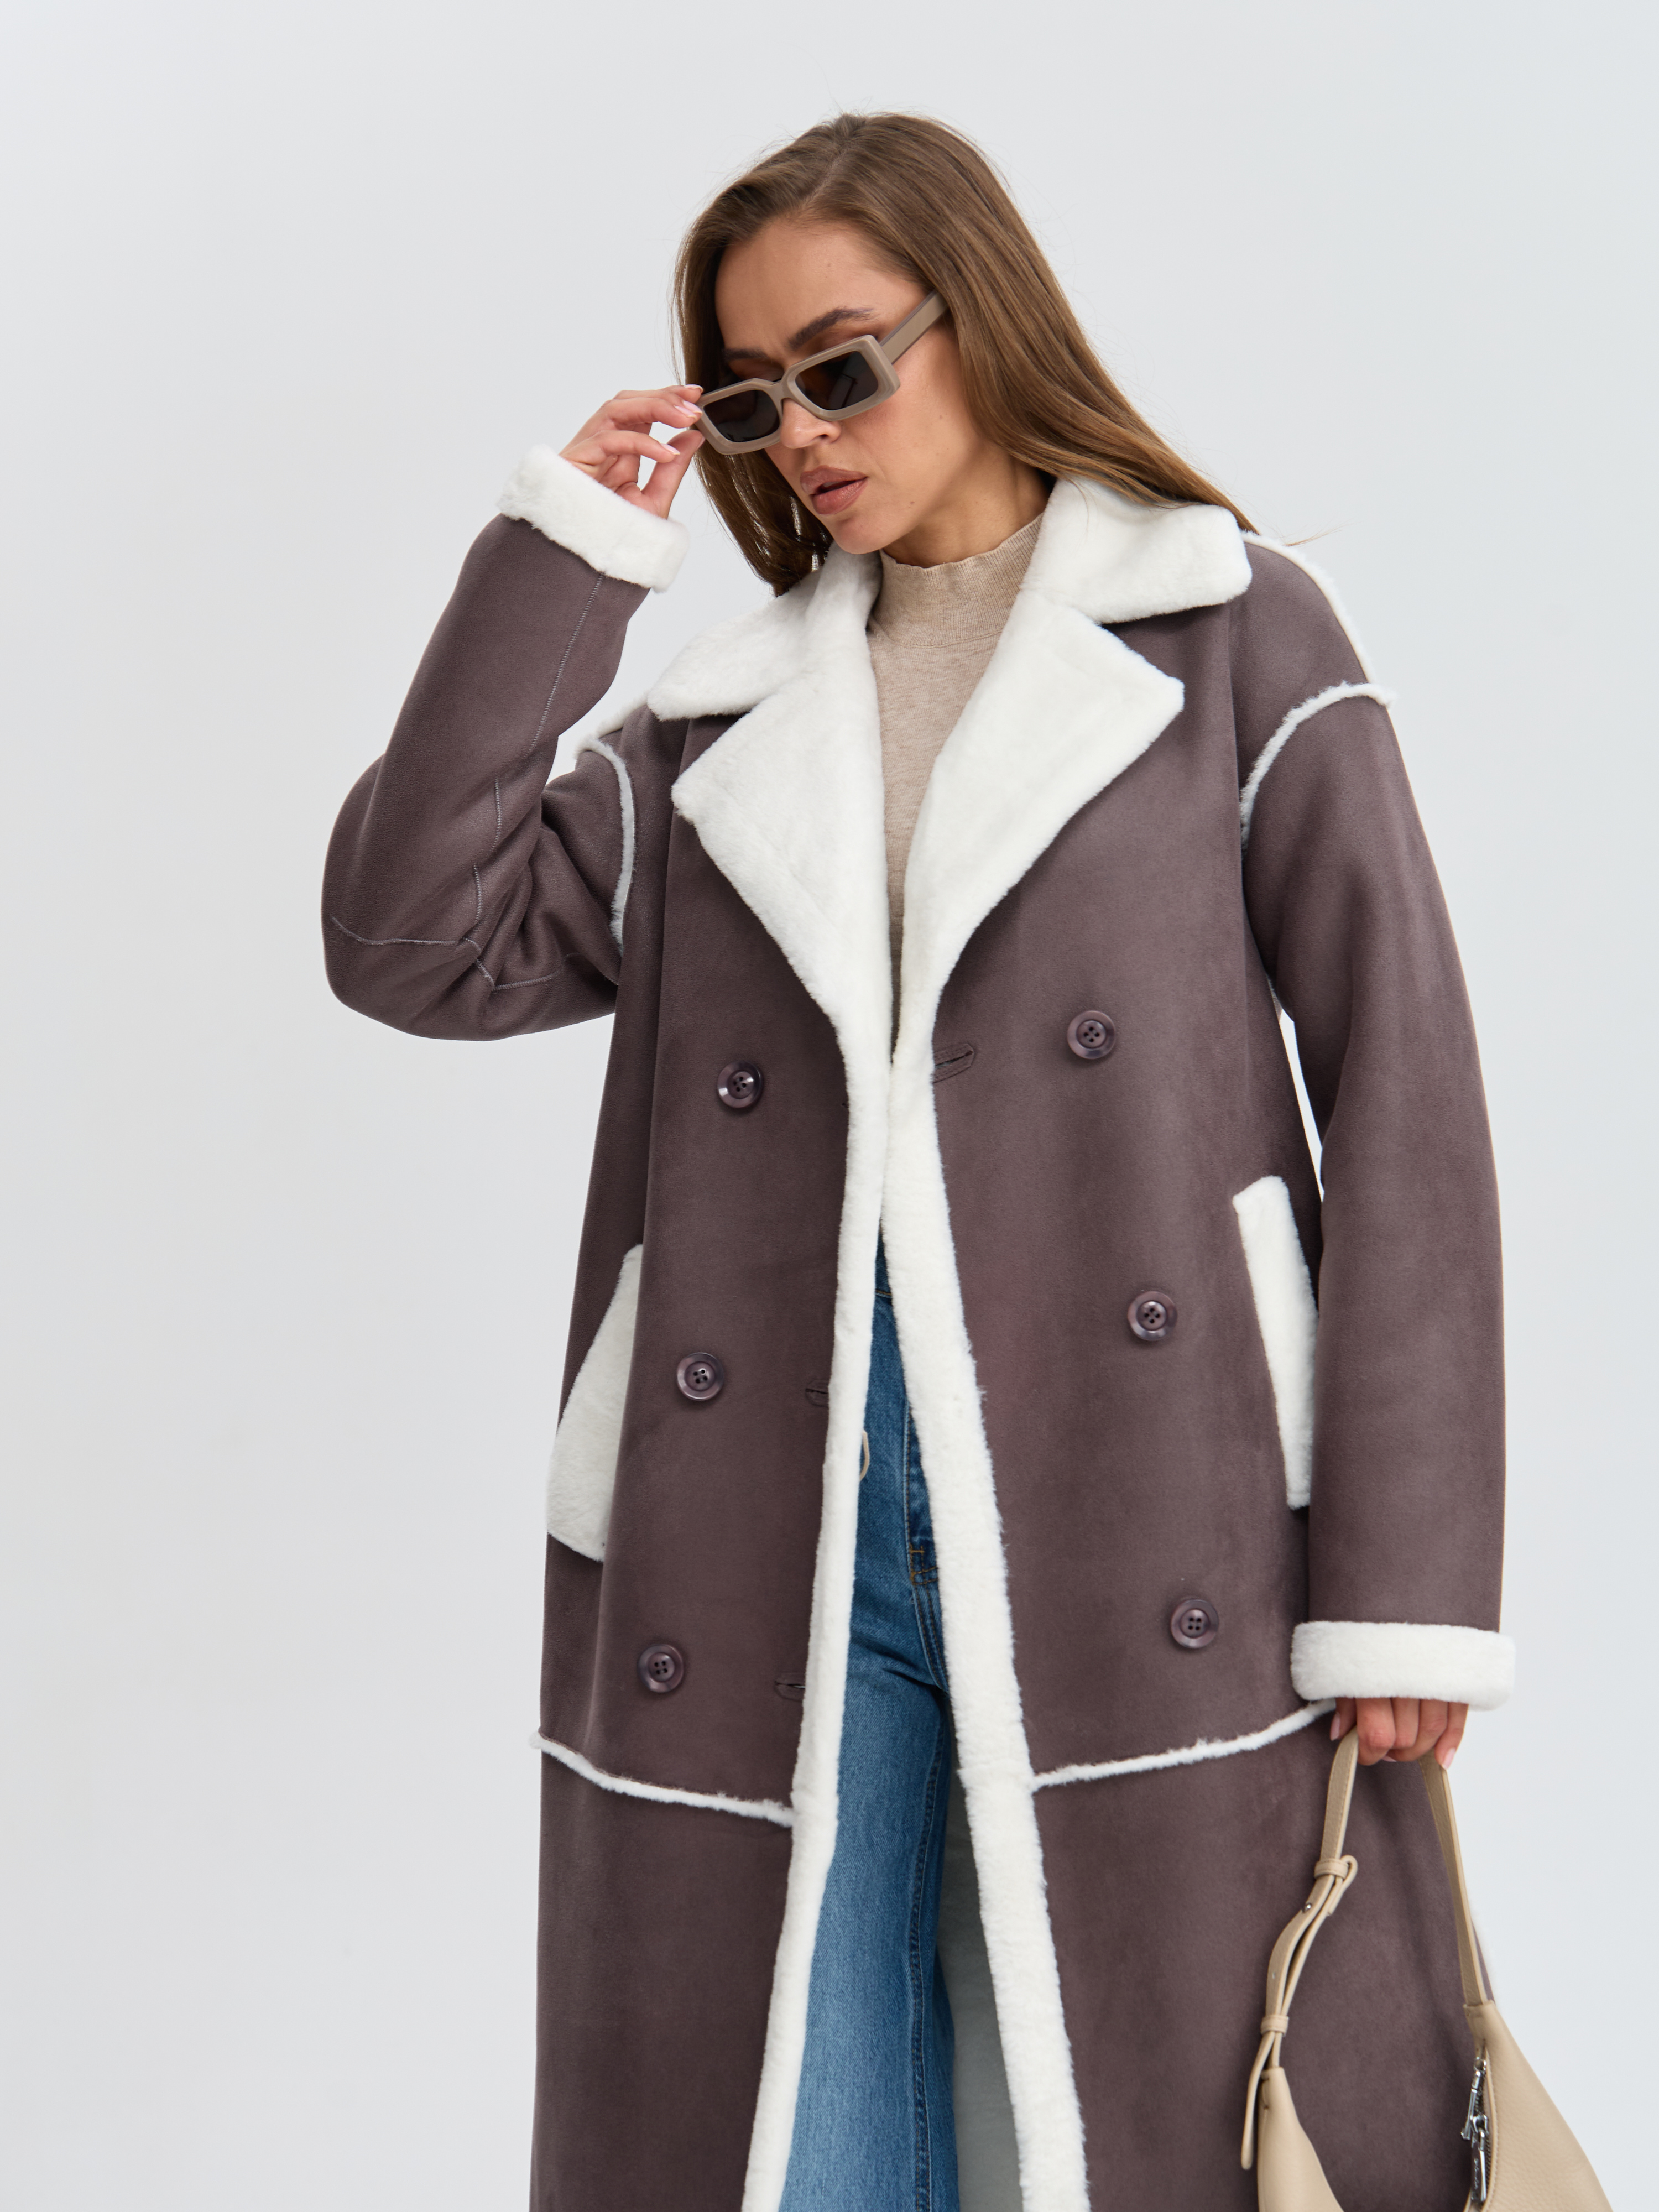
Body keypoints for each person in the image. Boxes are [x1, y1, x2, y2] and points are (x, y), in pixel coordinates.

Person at [324, 111, 1510, 2212]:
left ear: (984, 322)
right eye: (752, 399)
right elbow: (411, 943)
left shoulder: (1233, 635)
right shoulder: (720, 726)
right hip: (763, 1505)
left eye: (844, 366)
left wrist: (1405, 1589)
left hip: (1152, 1495)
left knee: (1172, 2119)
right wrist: (568, 558)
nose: (801, 435)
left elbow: (1406, 1089)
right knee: (785, 2145)